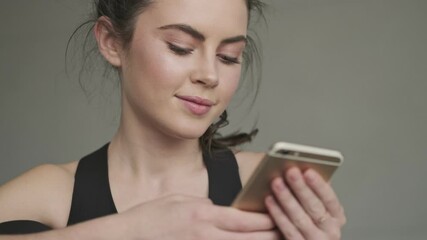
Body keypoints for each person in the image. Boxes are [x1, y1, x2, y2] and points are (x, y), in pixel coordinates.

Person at [0, 0, 346, 239]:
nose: (209, 75)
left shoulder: (270, 188)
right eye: (180, 47)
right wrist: (128, 232)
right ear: (111, 42)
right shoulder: (51, 192)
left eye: (229, 57)